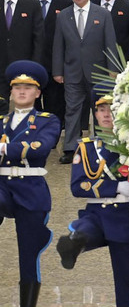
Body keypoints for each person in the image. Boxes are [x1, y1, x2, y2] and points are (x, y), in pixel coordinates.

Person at [55, 90, 129, 307]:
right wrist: (116, 186)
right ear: (95, 115)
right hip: (96, 212)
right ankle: (74, 244)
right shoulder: (87, 148)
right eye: (101, 110)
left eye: (111, 109)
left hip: (124, 215)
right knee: (85, 230)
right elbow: (78, 186)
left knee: (127, 281)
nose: (106, 114)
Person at [0, 60, 61, 307]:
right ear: (11, 92)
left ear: (37, 92)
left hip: (31, 188)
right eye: (17, 87)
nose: (22, 92)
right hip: (2, 185)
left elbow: (40, 148)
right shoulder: (2, 122)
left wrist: (5, 147)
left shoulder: (48, 120)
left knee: (29, 252)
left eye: (28, 87)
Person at [52, 0, 118, 164]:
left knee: (99, 110)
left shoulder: (102, 14)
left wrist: (112, 71)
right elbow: (58, 44)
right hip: (72, 71)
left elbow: (110, 44)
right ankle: (71, 147)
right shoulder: (63, 15)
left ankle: (101, 145)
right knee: (72, 109)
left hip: (99, 72)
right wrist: (58, 71)